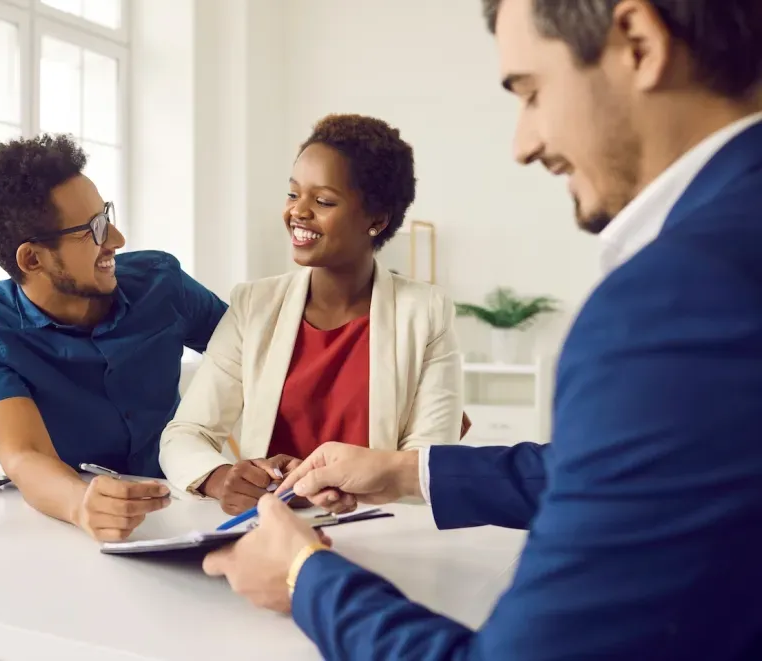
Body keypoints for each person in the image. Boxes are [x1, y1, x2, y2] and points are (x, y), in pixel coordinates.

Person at [202, 1, 762, 659]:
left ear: (638, 42)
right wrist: (405, 472)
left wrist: (303, 576)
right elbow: (637, 473)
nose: (523, 144)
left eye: (530, 92)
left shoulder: (674, 298)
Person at [159, 114, 467, 514]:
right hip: (269, 531)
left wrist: (337, 484)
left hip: (380, 535)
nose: (297, 212)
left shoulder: (426, 312)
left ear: (377, 219)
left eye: (322, 201)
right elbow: (186, 434)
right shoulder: (254, 305)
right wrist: (220, 478)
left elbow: (428, 461)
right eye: (292, 195)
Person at [0, 135, 227, 543]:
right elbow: (24, 455)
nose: (116, 239)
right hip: (72, 527)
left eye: (106, 216)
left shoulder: (161, 282)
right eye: (93, 229)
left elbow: (256, 360)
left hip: (189, 504)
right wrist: (82, 504)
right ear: (33, 259)